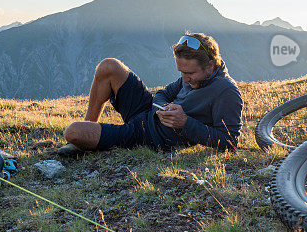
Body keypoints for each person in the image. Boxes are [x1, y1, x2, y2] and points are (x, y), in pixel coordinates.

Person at [60, 33, 242, 154]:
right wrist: (161, 107)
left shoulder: (226, 91)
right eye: (181, 72)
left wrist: (184, 123)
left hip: (147, 138)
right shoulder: (191, 76)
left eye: (189, 74)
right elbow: (163, 93)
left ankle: (81, 139)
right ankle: (84, 137)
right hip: (147, 112)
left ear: (210, 66)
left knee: (73, 131)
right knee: (109, 66)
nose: (184, 79)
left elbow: (230, 141)